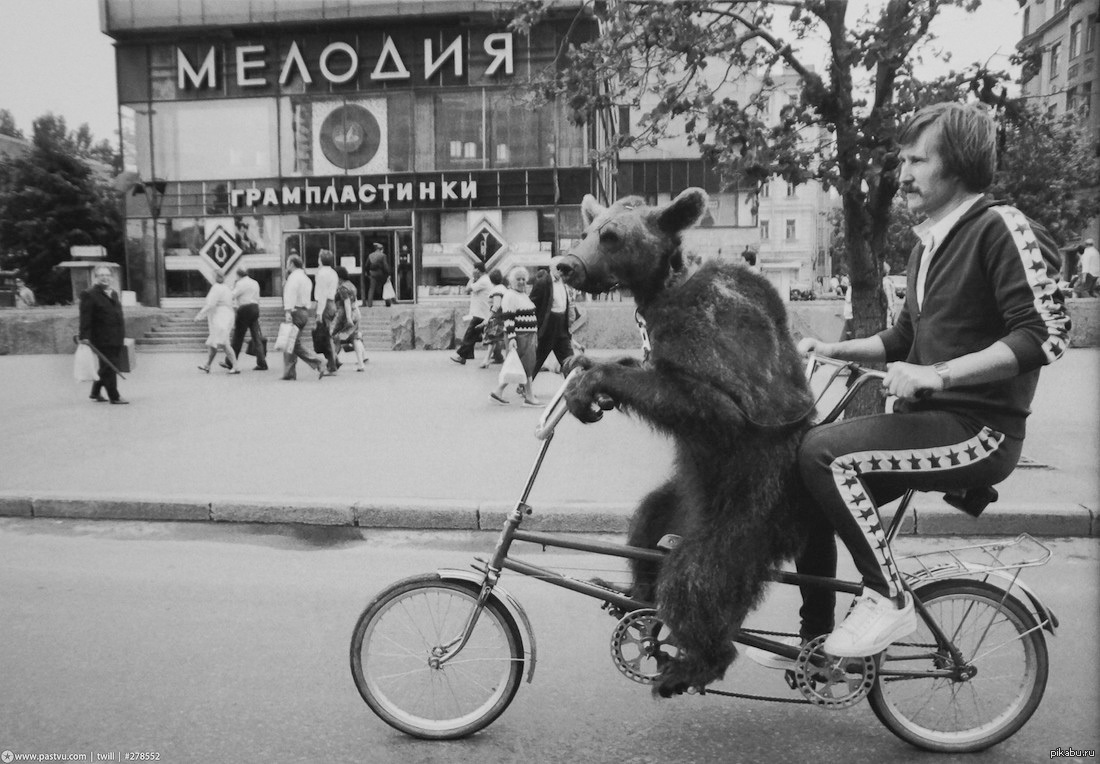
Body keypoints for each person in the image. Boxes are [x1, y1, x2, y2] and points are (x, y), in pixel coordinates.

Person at [748, 102, 1070, 668]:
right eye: (903, 161)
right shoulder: (927, 244)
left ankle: (888, 596)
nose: (903, 174)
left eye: (917, 160)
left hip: (980, 430)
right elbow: (902, 337)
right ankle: (816, 647)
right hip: (927, 422)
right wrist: (834, 349)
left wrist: (938, 373)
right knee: (806, 495)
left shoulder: (1001, 227)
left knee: (824, 454)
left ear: (960, 164)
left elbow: (1046, 333)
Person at [489, 267, 541, 407]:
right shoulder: (510, 295)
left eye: (524, 279)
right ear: (512, 281)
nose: (522, 282)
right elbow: (508, 318)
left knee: (518, 366)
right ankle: (529, 397)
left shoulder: (522, 295)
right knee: (527, 366)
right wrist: (512, 338)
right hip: (519, 336)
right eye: (518, 279)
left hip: (527, 335)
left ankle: (498, 392)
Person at [78, 265, 128, 404]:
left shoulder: (113, 293)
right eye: (101, 275)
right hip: (102, 338)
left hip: (116, 336)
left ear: (111, 277)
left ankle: (95, 392)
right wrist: (84, 337)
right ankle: (114, 396)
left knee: (107, 366)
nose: (105, 278)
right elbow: (85, 317)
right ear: (96, 278)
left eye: (107, 275)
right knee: (109, 367)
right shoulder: (89, 294)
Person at [281, 255, 330, 381]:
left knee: (292, 343)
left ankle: (319, 361)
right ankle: (289, 372)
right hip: (304, 312)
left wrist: (288, 311)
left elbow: (290, 295)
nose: (287, 265)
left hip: (295, 311)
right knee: (292, 342)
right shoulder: (306, 278)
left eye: (288, 262)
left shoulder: (293, 278)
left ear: (292, 264)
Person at [530, 259, 574, 378]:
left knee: (569, 359)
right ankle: (524, 386)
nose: (560, 272)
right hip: (548, 325)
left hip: (562, 326)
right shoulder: (543, 282)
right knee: (539, 357)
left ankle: (574, 385)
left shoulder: (563, 282)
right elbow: (533, 303)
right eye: (558, 268)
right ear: (551, 267)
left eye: (563, 269)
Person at [195, 271, 240, 374]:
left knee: (223, 342)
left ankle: (235, 366)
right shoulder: (226, 288)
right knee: (214, 342)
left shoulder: (216, 288)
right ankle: (207, 365)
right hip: (227, 315)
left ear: (214, 277)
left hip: (220, 316)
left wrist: (200, 315)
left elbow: (211, 304)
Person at [451, 263, 492, 365]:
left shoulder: (483, 280)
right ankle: (469, 354)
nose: (473, 271)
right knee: (484, 335)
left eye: (474, 269)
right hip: (481, 312)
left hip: (481, 314)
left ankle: (462, 356)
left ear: (478, 270)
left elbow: (467, 289)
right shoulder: (482, 280)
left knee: (470, 335)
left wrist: (472, 277)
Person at [228, 267, 267, 371]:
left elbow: (232, 295)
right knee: (256, 337)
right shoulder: (255, 283)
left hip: (244, 309)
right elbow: (258, 298)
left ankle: (231, 361)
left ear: (238, 275)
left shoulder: (240, 283)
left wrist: (233, 285)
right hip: (255, 308)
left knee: (238, 336)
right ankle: (262, 362)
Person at [331, 265, 367, 371]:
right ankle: (361, 364)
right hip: (356, 312)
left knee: (335, 337)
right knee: (355, 338)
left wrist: (348, 318)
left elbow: (346, 302)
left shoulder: (342, 288)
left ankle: (333, 362)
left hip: (348, 314)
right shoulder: (351, 285)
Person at [313, 249, 340, 372]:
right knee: (328, 333)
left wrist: (319, 312)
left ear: (321, 259)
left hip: (325, 305)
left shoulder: (321, 273)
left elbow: (322, 293)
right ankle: (334, 359)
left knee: (325, 335)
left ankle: (332, 364)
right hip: (332, 303)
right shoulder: (334, 273)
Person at [478, 268, 507, 367]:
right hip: (503, 317)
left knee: (492, 339)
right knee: (497, 339)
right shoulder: (503, 288)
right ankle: (496, 358)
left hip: (497, 318)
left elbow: (496, 305)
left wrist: (488, 318)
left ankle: (487, 360)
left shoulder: (497, 290)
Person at [365, 242, 391, 308]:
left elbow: (366, 266)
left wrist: (368, 273)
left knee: (371, 288)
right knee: (385, 287)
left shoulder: (370, 255)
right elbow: (385, 266)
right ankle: (387, 303)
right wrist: (388, 274)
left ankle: (369, 304)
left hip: (372, 274)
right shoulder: (383, 255)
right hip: (381, 274)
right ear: (381, 249)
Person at [881, 261, 902, 328]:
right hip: (889, 311)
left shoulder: (884, 281)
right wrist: (892, 309)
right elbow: (889, 296)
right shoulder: (886, 282)